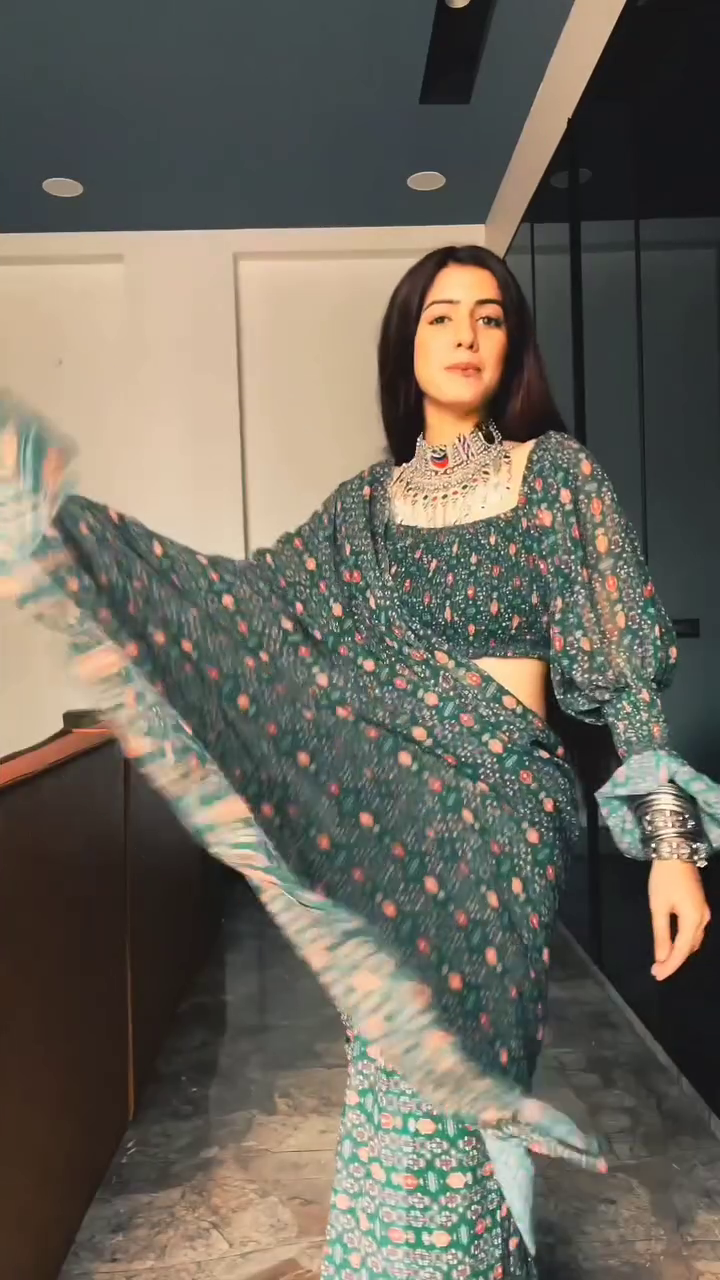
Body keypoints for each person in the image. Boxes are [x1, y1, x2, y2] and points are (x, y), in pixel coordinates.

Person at [0, 245, 718, 1280]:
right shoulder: (360, 513)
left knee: (458, 1062)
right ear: (406, 345)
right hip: (391, 815)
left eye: (489, 317)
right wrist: (73, 540)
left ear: (512, 346)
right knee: (406, 1080)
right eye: (441, 316)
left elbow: (623, 669)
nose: (466, 334)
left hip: (502, 808)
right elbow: (249, 614)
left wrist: (672, 852)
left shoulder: (555, 477)